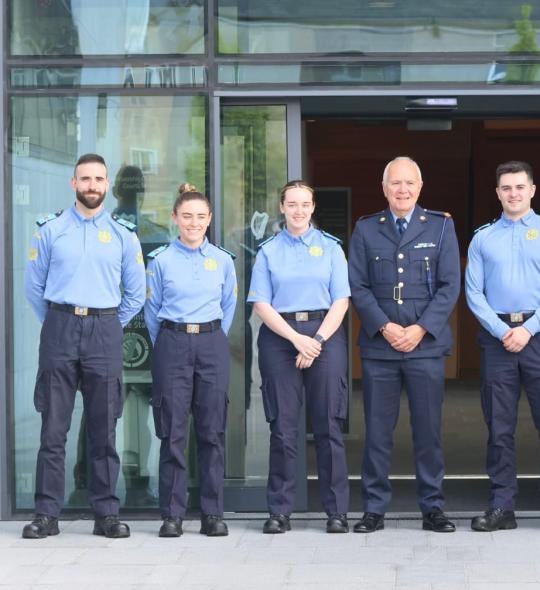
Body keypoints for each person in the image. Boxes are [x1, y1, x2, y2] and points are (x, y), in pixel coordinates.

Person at [22, 153, 146, 539]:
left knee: (103, 428)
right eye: (85, 179)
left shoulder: (124, 235)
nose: (92, 185)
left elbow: (136, 292)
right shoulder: (50, 230)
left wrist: (108, 324)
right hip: (60, 327)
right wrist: (62, 321)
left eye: (99, 179)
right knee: (53, 428)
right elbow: (34, 289)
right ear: (73, 183)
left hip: (105, 330)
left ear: (107, 186)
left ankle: (106, 514)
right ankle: (47, 514)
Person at [348, 156, 460, 533]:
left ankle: (432, 508)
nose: (402, 189)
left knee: (428, 432)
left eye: (409, 183)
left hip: (425, 347)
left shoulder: (442, 227)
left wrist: (420, 329)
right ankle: (374, 509)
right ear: (384, 189)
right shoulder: (366, 229)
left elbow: (449, 287)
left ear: (420, 187)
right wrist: (383, 327)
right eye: (395, 183)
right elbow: (358, 287)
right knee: (377, 433)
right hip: (380, 349)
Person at [465, 160, 540, 533]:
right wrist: (501, 330)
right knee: (499, 427)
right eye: (506, 188)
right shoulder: (483, 238)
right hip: (497, 339)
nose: (513, 193)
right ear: (497, 193)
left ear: (532, 189)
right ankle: (502, 506)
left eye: (519, 186)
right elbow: (473, 292)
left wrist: (529, 329)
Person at [248, 180, 350, 534]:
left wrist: (316, 340)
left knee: (328, 426)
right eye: (292, 204)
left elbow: (341, 301)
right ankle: (280, 511)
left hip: (325, 334)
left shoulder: (332, 249)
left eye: (305, 204)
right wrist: (296, 339)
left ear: (313, 207)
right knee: (283, 428)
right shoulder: (268, 252)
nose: (299, 210)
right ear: (281, 207)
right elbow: (261, 303)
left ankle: (336, 511)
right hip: (281, 337)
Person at [144, 183, 237, 537]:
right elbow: (152, 311)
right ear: (174, 218)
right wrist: (172, 340)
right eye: (187, 216)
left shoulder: (223, 261)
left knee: (212, 432)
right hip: (173, 343)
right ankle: (172, 514)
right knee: (172, 432)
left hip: (212, 343)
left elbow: (228, 305)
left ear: (209, 219)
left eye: (200, 216)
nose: (194, 223)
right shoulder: (161, 261)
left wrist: (212, 335)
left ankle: (212, 513)